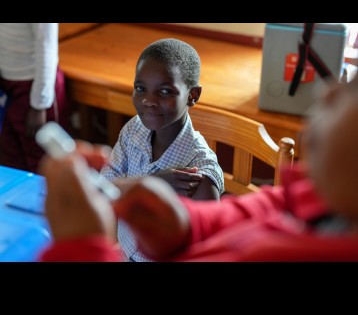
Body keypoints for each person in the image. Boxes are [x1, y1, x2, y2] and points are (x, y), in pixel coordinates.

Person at [38, 72, 358, 262]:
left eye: (353, 88)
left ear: (192, 96)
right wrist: (189, 225)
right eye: (140, 88)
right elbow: (270, 208)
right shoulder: (323, 196)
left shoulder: (200, 168)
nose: (327, 91)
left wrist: (81, 246)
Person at [99, 38, 224, 261]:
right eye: (140, 88)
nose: (148, 100)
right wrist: (152, 184)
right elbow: (101, 192)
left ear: (192, 96)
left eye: (165, 91)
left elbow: (202, 254)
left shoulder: (199, 175)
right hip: (122, 252)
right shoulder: (133, 131)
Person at [0, 23, 68, 173]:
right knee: (10, 157)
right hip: (7, 84)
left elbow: (47, 48)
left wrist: (39, 105)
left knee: (42, 160)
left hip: (35, 87)